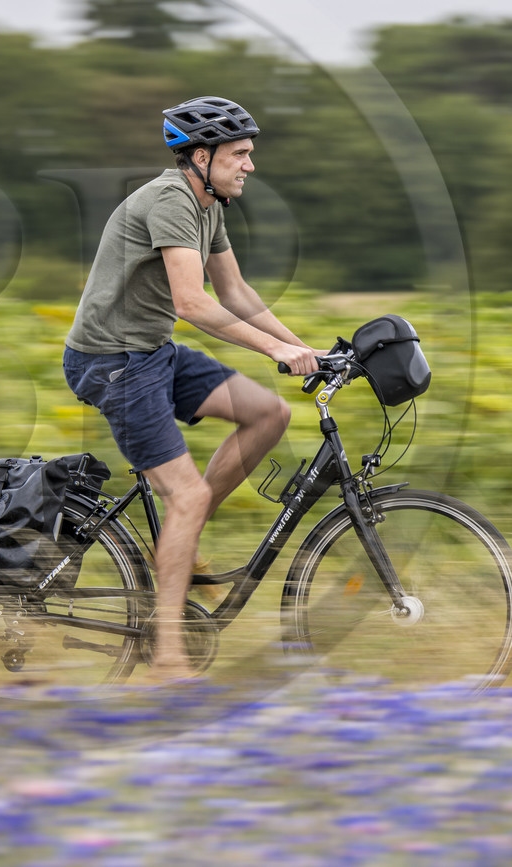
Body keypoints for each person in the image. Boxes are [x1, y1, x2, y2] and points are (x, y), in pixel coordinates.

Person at [62, 96, 320, 681]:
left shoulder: (209, 203)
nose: (249, 165)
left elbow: (236, 293)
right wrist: (274, 350)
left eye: (250, 154)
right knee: (187, 495)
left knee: (268, 415)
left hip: (153, 352)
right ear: (201, 156)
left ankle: (185, 532)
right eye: (240, 154)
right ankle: (170, 656)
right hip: (113, 363)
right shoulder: (171, 200)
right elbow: (192, 301)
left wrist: (304, 347)